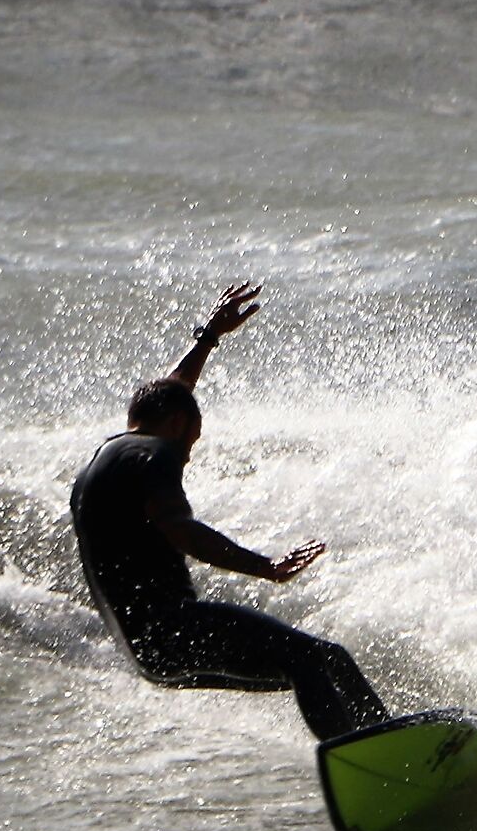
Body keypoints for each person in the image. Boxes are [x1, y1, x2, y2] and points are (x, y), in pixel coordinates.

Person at [70, 281, 390, 741]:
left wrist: (208, 337)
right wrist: (264, 566)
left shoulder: (107, 462)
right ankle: (370, 757)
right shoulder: (155, 454)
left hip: (147, 653)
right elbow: (183, 531)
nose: (188, 456)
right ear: (178, 427)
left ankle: (381, 749)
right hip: (175, 629)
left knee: (321, 663)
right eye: (191, 442)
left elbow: (169, 393)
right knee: (312, 657)